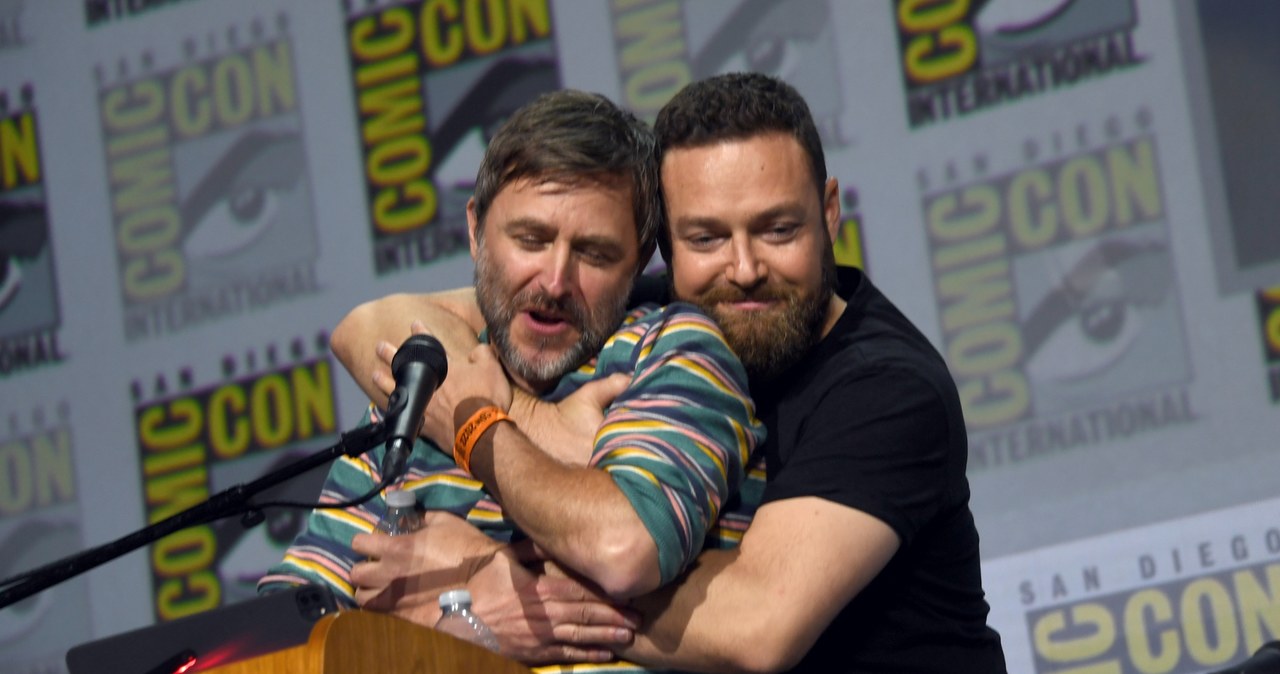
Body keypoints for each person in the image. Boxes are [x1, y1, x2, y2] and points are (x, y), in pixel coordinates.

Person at [338, 73, 1008, 673]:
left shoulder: (886, 387)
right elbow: (374, 325)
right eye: (707, 238)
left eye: (777, 230)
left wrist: (492, 573)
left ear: (828, 212)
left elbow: (755, 628)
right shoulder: (656, 304)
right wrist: (541, 421)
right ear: (661, 247)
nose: (743, 269)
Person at [259, 89, 766, 665]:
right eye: (531, 239)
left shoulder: (673, 352)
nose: (554, 280)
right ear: (476, 231)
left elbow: (624, 548)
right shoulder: (422, 389)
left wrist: (475, 438)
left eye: (595, 253)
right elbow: (286, 634)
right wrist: (450, 619)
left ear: (641, 259)